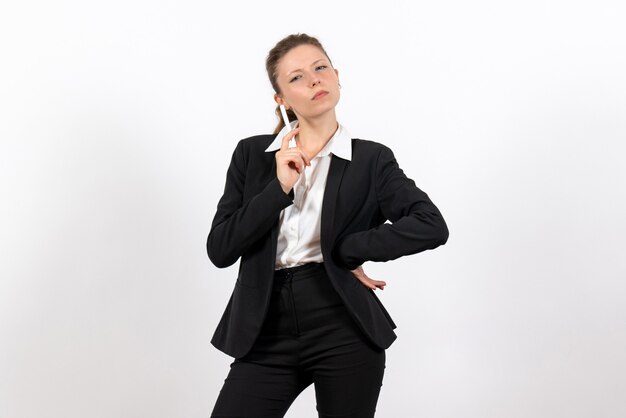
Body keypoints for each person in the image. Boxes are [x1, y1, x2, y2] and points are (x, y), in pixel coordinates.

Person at [207, 33, 449, 418]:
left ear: (337, 76)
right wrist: (279, 187)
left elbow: (431, 225)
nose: (315, 80)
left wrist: (349, 250)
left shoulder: (371, 160)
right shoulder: (252, 155)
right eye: (297, 77)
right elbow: (220, 249)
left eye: (320, 68)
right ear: (281, 99)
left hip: (343, 323)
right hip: (264, 328)